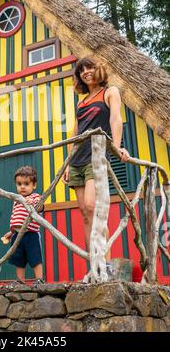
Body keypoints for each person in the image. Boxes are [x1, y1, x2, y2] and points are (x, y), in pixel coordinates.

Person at [62, 56, 130, 262]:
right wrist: (67, 163)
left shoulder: (110, 92)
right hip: (76, 161)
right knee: (84, 213)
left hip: (97, 157)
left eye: (89, 67)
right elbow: (75, 134)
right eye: (81, 70)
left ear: (98, 69)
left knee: (94, 208)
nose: (85, 72)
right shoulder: (80, 102)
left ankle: (106, 264)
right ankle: (94, 264)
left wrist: (116, 148)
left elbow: (115, 119)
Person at [3, 166, 44, 284]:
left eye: (26, 184)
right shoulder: (17, 199)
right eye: (19, 184)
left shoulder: (35, 196)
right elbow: (14, 217)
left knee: (35, 257)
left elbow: (40, 207)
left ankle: (39, 279)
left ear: (34, 185)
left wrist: (34, 203)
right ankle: (20, 281)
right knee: (18, 258)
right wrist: (11, 231)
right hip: (17, 234)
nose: (22, 187)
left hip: (31, 234)